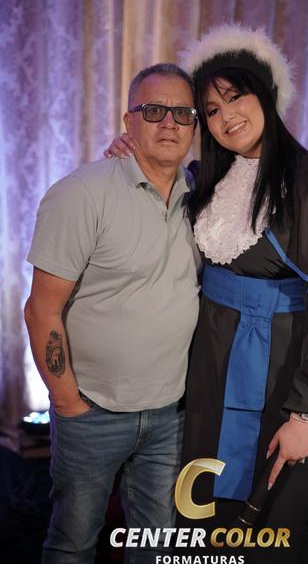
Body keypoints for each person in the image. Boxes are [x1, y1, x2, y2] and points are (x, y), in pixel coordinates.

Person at [106, 24, 308, 563]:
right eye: (211, 109)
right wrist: (126, 153)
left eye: (236, 97)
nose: (226, 117)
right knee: (201, 507)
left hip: (279, 367)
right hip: (208, 364)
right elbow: (152, 200)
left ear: (266, 94)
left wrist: (305, 415)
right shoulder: (207, 178)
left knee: (271, 519)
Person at [24, 63, 201, 564]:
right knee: (73, 543)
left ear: (194, 126)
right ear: (129, 121)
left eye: (182, 113)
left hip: (170, 413)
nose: (169, 123)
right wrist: (68, 404)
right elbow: (40, 310)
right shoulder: (82, 193)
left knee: (154, 546)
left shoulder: (201, 197)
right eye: (154, 110)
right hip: (93, 411)